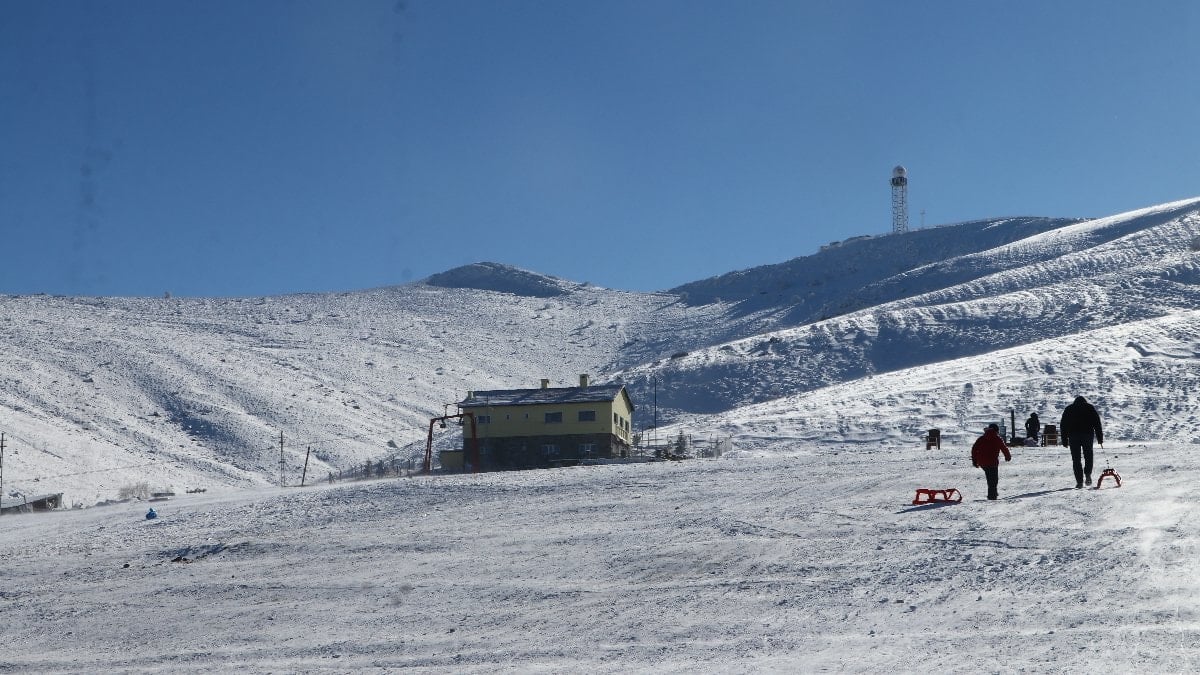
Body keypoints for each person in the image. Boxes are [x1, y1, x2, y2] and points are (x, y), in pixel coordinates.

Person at [1060, 396, 1104, 488]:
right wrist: (1100, 438)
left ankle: (1079, 481)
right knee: (1088, 456)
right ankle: (1088, 474)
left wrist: (1064, 440)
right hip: (1087, 435)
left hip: (1073, 436)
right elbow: (1097, 423)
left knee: (1076, 459)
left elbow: (1063, 425)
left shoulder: (1069, 409)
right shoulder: (1089, 407)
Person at [971, 423, 1012, 500]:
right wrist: (1008, 456)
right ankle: (992, 496)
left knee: (990, 476)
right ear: (996, 431)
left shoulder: (981, 438)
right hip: (992, 462)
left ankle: (993, 492)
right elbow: (1004, 448)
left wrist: (974, 460)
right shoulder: (997, 439)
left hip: (982, 462)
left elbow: (974, 449)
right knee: (993, 480)